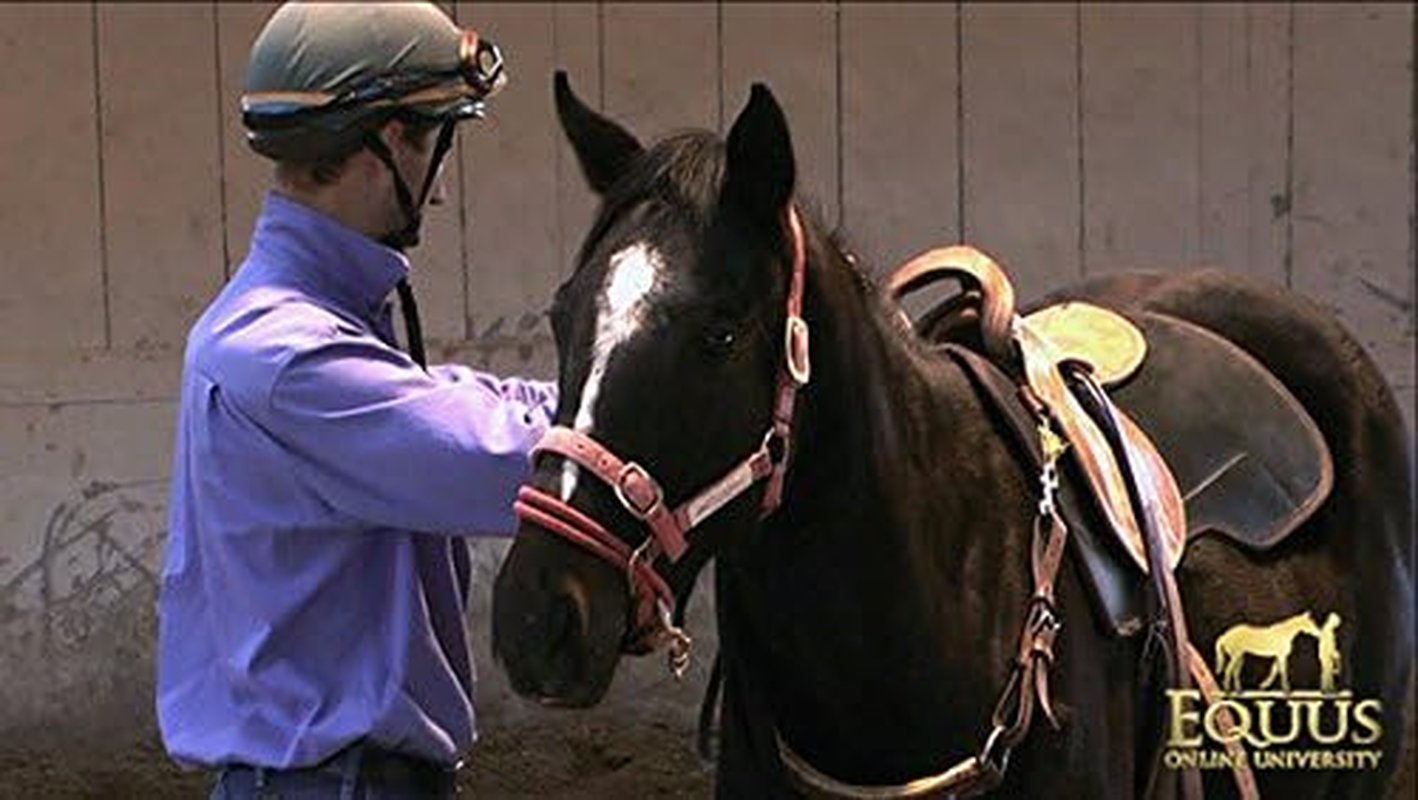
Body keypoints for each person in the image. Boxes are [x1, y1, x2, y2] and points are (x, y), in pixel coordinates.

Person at [155, 3, 557, 797]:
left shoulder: (301, 327)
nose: (437, 193)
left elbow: (452, 398)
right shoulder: (285, 353)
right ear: (391, 142)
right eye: (438, 142)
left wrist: (617, 383)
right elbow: (494, 457)